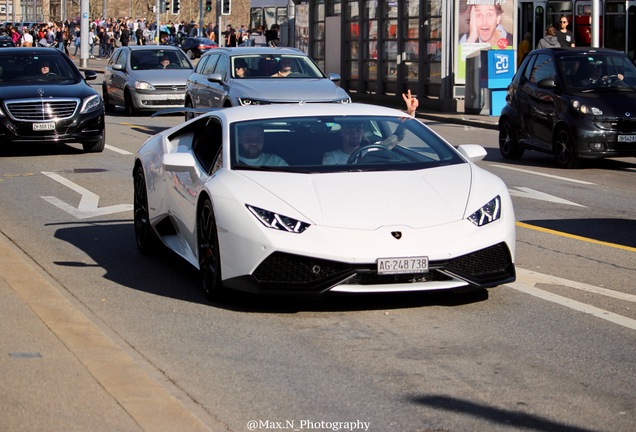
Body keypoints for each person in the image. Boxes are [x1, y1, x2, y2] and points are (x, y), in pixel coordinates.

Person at [322, 92, 419, 165]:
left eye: (358, 130)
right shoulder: (332, 157)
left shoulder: (371, 151)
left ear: (363, 132)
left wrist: (410, 113)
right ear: (342, 133)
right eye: (350, 130)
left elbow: (398, 136)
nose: (354, 134)